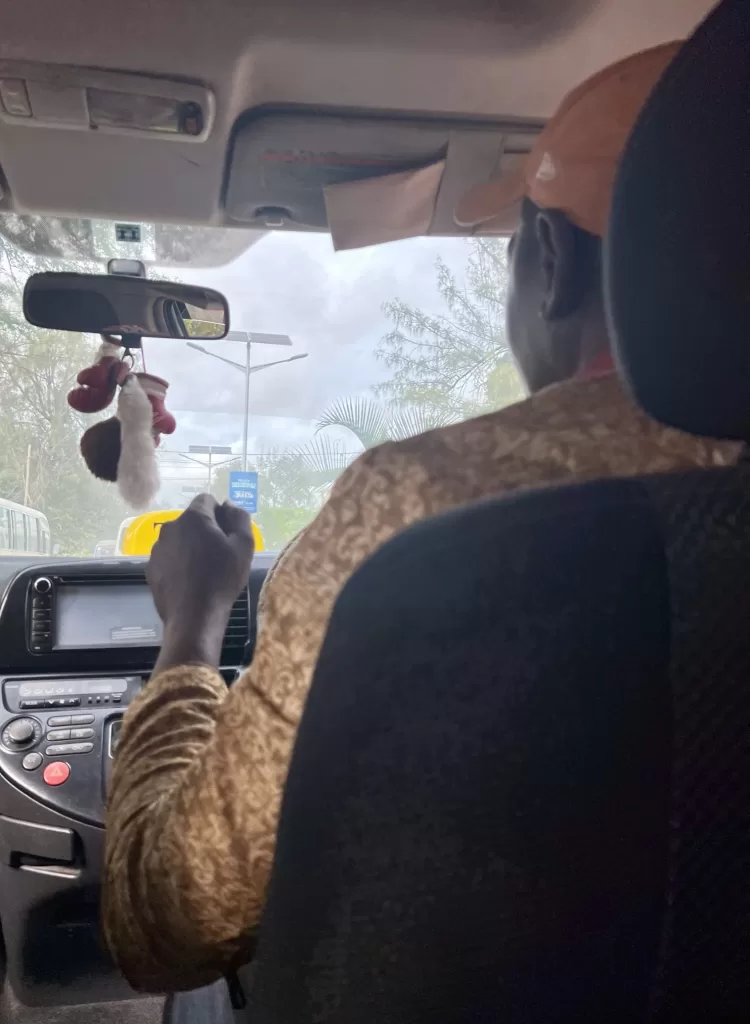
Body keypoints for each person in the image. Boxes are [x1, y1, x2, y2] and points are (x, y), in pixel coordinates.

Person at [103, 39, 739, 994]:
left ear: (552, 262)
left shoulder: (418, 507)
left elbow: (168, 920)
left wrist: (191, 628)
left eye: (517, 246)